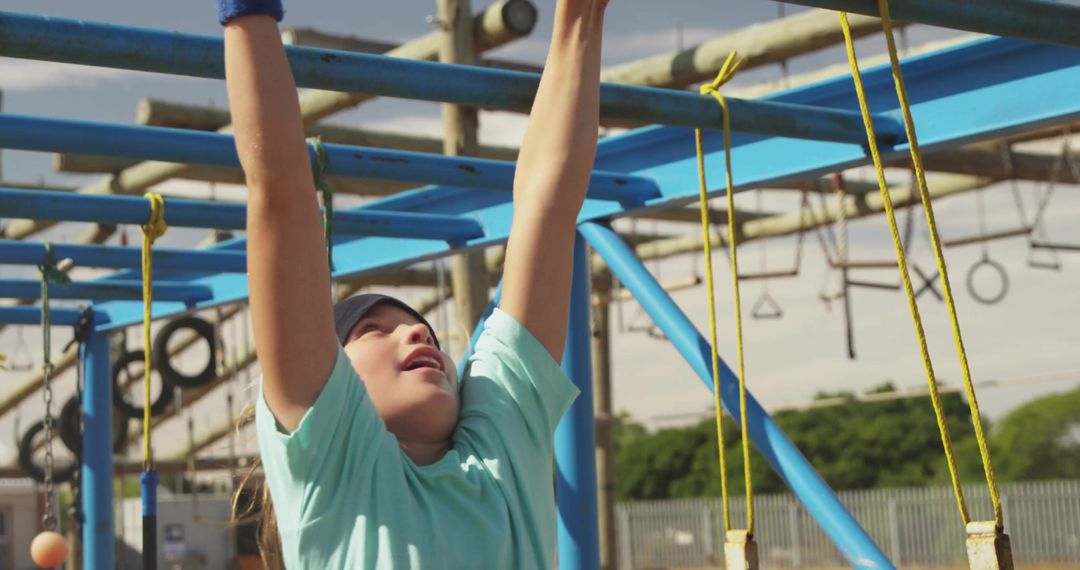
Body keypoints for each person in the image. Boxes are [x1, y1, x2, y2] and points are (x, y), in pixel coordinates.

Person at [219, 0, 610, 567]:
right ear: (330, 376)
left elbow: (547, 209)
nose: (417, 336)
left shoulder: (500, 448)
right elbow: (279, 191)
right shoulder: (338, 470)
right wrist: (247, 13)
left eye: (419, 327)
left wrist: (581, 18)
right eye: (376, 330)